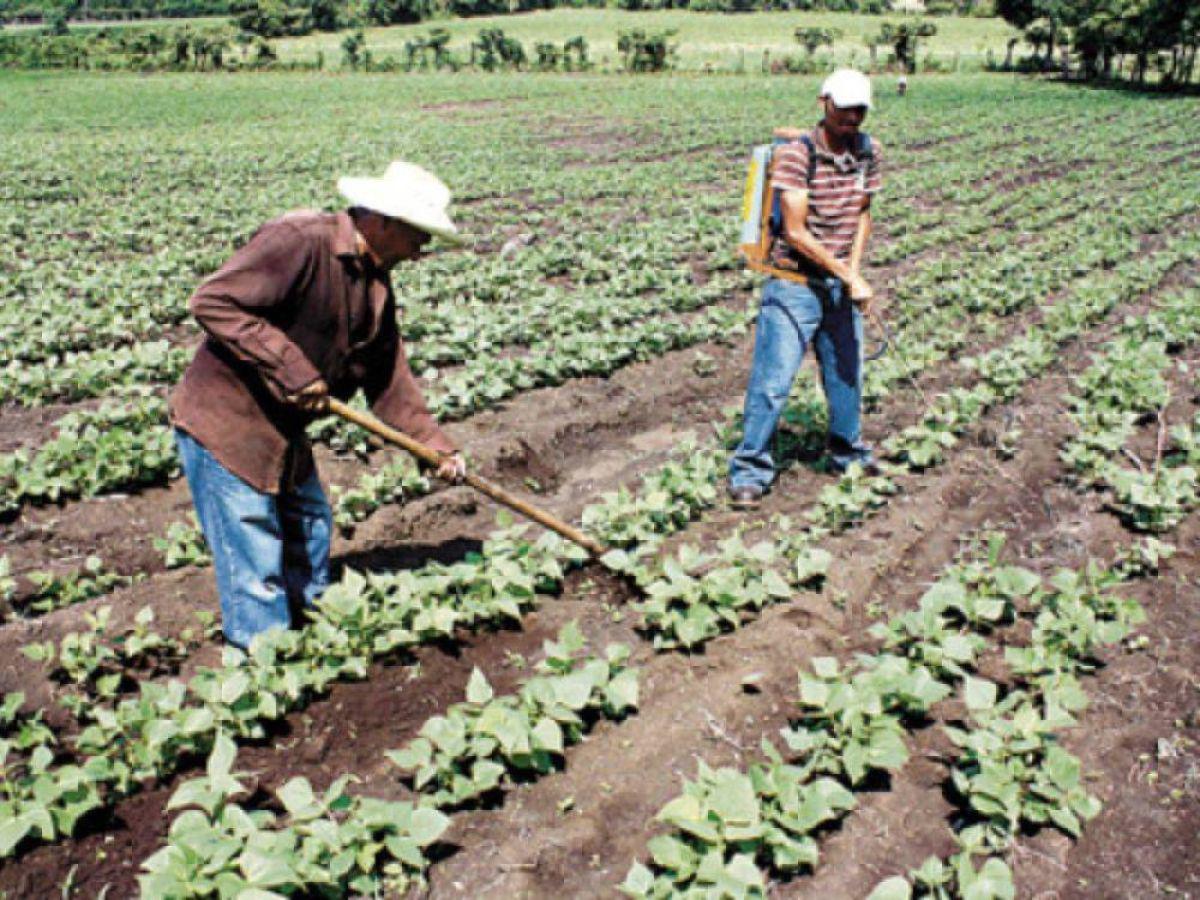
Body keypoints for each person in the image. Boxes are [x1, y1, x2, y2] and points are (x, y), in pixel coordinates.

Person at [169, 161, 468, 649]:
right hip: (228, 423)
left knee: (309, 528)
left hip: (284, 428)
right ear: (385, 220)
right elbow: (212, 299)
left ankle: (315, 637)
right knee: (253, 551)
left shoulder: (374, 281)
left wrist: (433, 446)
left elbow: (388, 377)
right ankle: (263, 668)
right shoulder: (299, 242)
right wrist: (290, 367)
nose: (423, 249)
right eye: (419, 234)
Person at [728, 69, 883, 509]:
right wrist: (848, 275)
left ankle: (847, 453)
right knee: (773, 381)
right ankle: (750, 470)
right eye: (845, 107)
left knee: (846, 376)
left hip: (838, 282)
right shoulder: (797, 156)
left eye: (861, 109)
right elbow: (795, 232)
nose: (853, 116)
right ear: (824, 102)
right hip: (793, 282)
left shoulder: (869, 151)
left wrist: (851, 273)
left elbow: (863, 215)